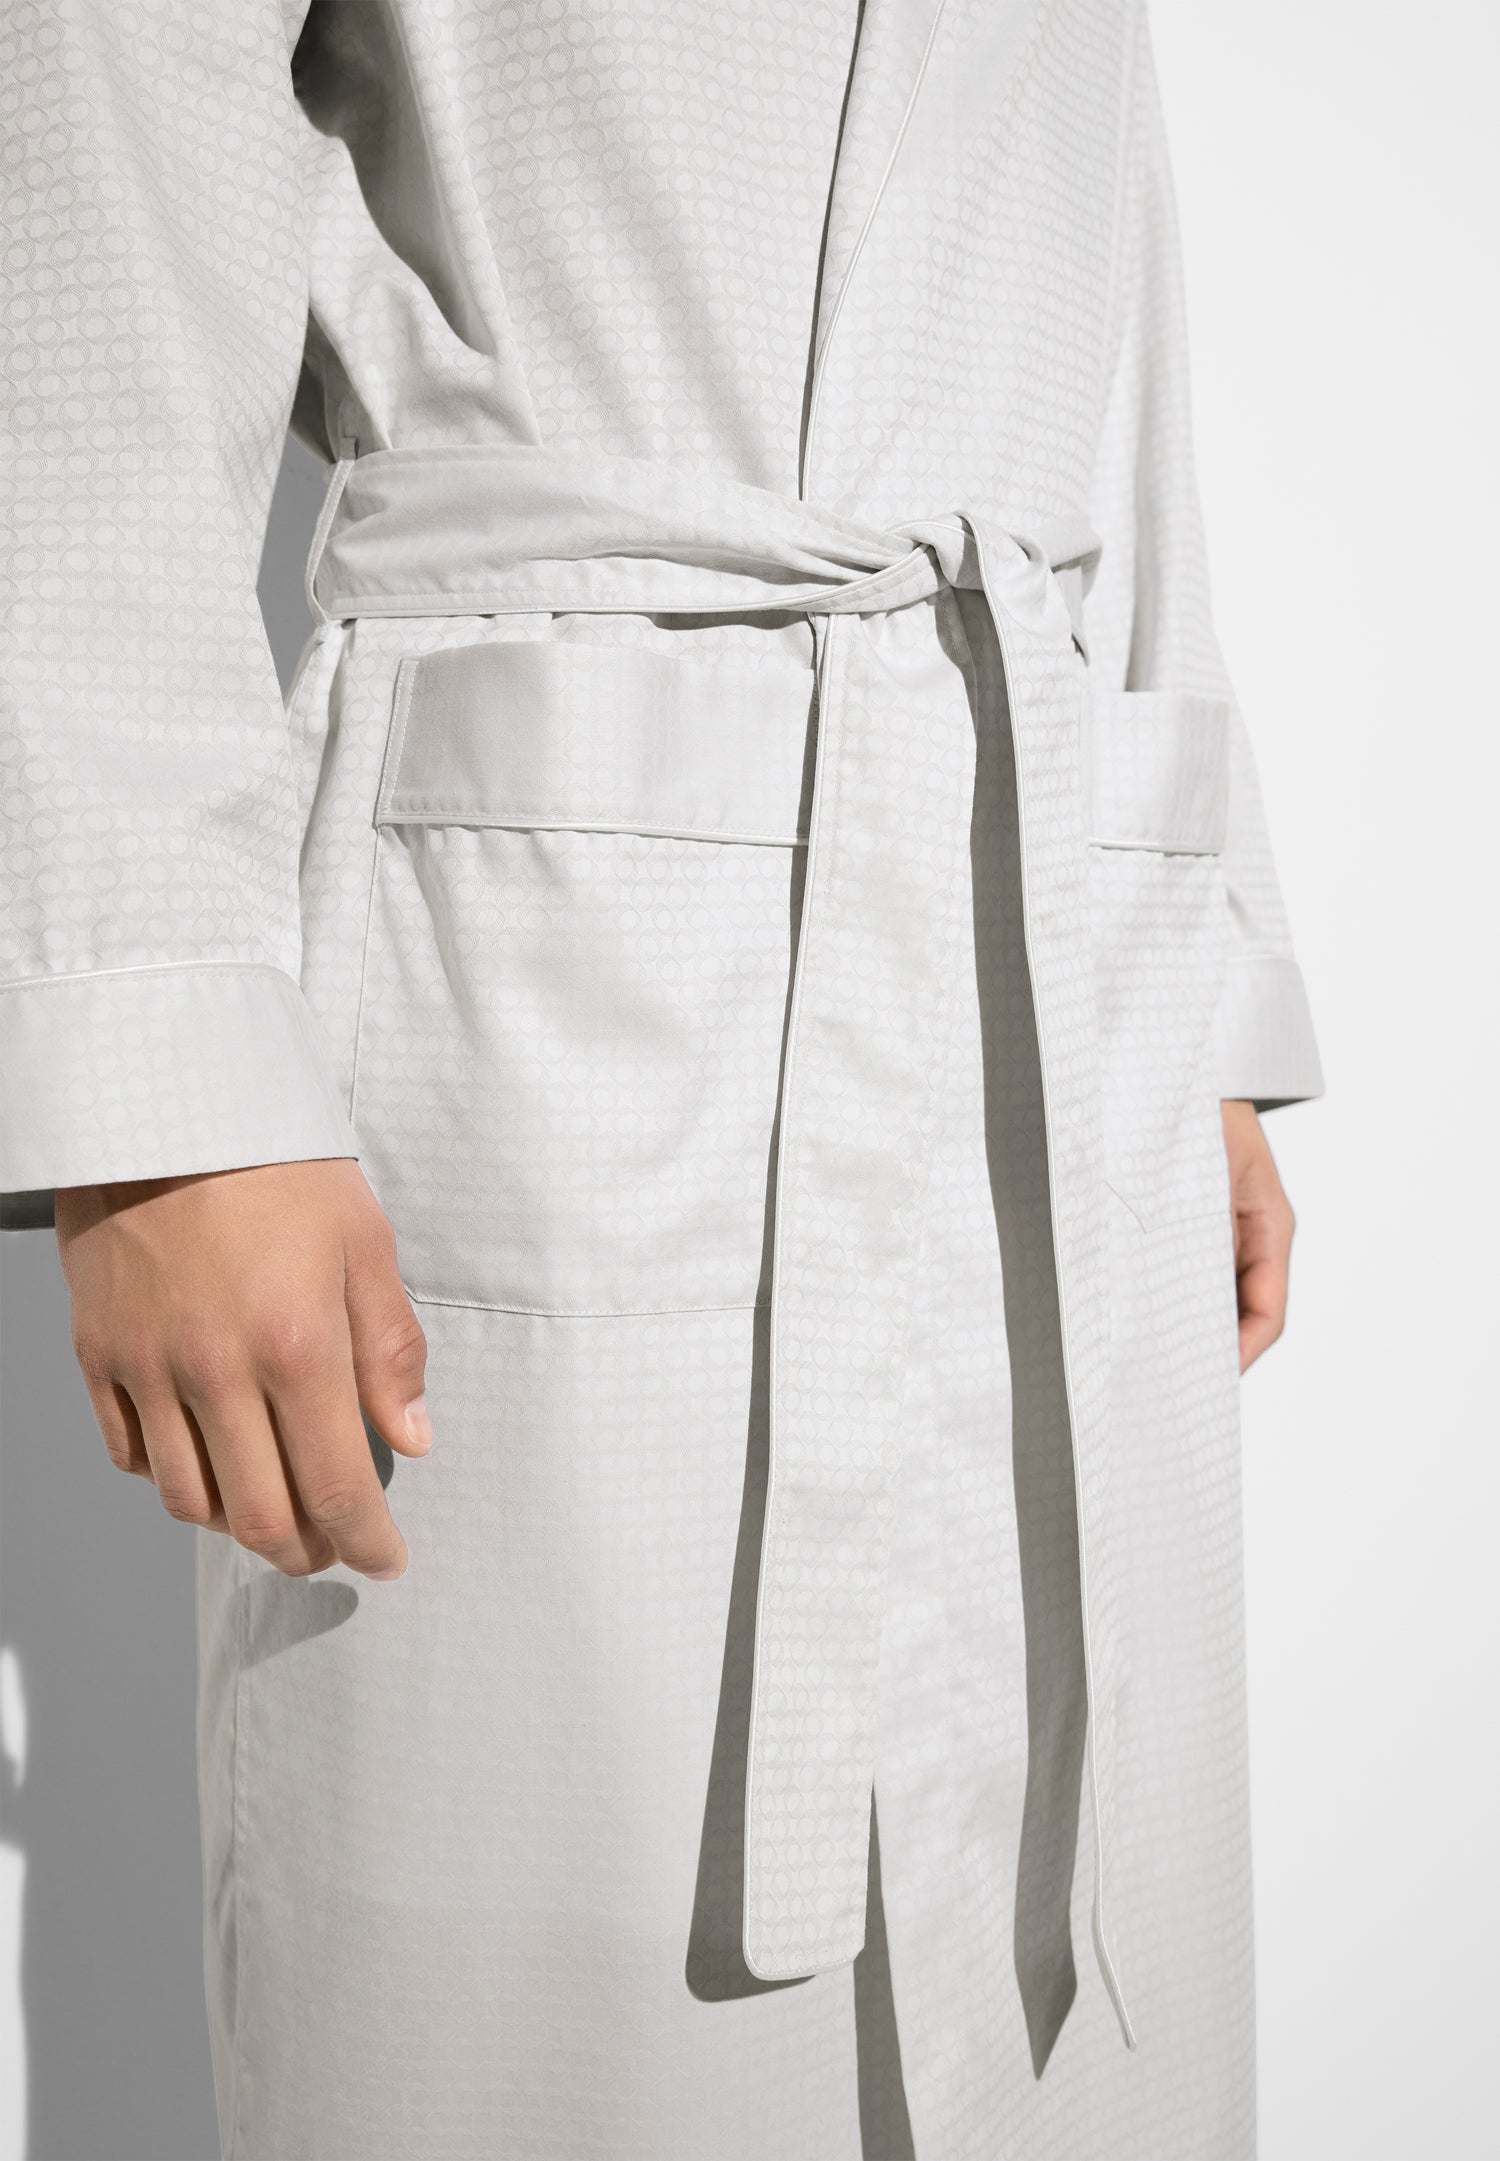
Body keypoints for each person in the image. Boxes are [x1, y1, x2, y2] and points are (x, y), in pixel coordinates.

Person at [0, 3, 1322, 2155]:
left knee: (1083, 2006)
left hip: (1057, 962)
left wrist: (1192, 947)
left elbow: (1103, 256)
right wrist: (158, 1054)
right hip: (548, 957)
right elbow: (90, 123)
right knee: (567, 2027)